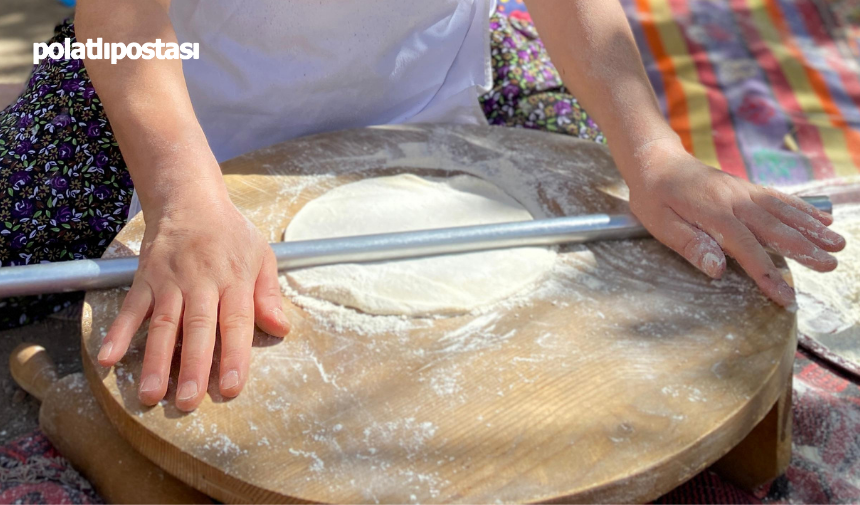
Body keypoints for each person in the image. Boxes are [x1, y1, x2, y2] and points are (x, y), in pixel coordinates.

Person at [0, 0, 844, 412]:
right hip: (163, 92)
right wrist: (181, 192)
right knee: (20, 270)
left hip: (424, 79)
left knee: (608, 207)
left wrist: (653, 151)